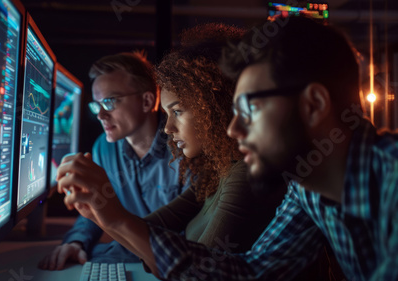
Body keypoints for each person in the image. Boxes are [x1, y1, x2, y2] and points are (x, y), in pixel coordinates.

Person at [57, 16, 398, 281]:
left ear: (314, 105)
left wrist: (114, 216)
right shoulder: (306, 187)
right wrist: (107, 215)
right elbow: (252, 273)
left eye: (249, 110)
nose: (234, 128)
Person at [144, 23, 284, 253]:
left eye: (177, 111)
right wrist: (99, 209)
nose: (167, 128)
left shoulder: (245, 174)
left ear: (212, 106)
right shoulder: (217, 170)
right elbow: (152, 227)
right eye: (167, 114)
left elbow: (201, 272)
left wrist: (111, 216)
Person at [39, 51, 186, 270]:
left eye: (109, 102)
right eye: (96, 105)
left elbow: (196, 238)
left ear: (147, 101)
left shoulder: (184, 148)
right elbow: (95, 210)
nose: (100, 115)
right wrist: (77, 241)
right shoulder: (104, 148)